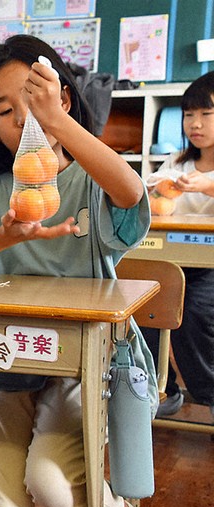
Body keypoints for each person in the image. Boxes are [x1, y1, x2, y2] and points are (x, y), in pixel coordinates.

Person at [0, 35, 153, 507]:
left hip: (80, 367)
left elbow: (131, 195)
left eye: (35, 100)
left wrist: (58, 123)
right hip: (2, 362)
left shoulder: (90, 179)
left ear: (62, 98)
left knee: (55, 487)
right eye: (5, 111)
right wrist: (3, 236)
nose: (24, 118)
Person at [142, 71, 214, 421]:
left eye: (206, 114)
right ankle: (161, 388)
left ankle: (209, 393)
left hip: (209, 268)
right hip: (174, 261)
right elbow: (154, 202)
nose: (195, 123)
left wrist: (205, 186)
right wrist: (153, 190)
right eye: (188, 114)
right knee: (143, 303)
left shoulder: (200, 176)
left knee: (193, 312)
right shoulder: (177, 163)